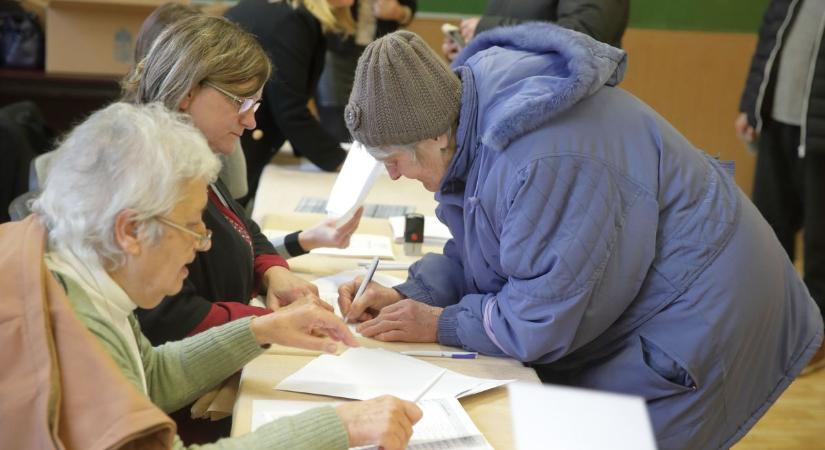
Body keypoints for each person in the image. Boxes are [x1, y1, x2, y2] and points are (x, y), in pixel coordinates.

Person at [337, 27, 824, 449]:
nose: (393, 175)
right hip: (650, 292)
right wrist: (413, 294)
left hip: (703, 312)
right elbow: (487, 252)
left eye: (393, 158)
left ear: (435, 137)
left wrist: (440, 324)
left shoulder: (542, 158)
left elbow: (539, 320)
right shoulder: (466, 120)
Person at [28, 101, 421, 450]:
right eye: (191, 228)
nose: (201, 244)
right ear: (129, 231)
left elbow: (150, 376)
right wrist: (342, 426)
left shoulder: (86, 277)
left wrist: (263, 330)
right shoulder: (72, 329)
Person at [121, 14, 360, 347]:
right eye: (241, 102)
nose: (250, 121)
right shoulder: (147, 176)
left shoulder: (189, 154)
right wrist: (272, 324)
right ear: (188, 92)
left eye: (256, 104)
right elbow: (169, 318)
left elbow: (238, 224)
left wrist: (274, 273)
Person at [735, 0, 825, 373]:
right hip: (776, 124)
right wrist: (751, 105)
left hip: (820, 136)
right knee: (769, 231)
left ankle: (816, 335)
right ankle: (771, 327)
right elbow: (769, 41)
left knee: (821, 242)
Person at [224, 0, 355, 203]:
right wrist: (339, 160)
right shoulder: (292, 21)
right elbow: (289, 109)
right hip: (233, 140)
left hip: (236, 136)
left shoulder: (290, 13)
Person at [316, 0, 417, 142]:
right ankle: (337, 159)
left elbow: (410, 9)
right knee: (334, 113)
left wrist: (399, 12)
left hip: (381, 50)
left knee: (377, 113)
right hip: (336, 46)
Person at [442, 0, 629, 61]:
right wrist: (473, 50)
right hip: (509, 109)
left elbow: (585, 38)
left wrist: (487, 29)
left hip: (561, 119)